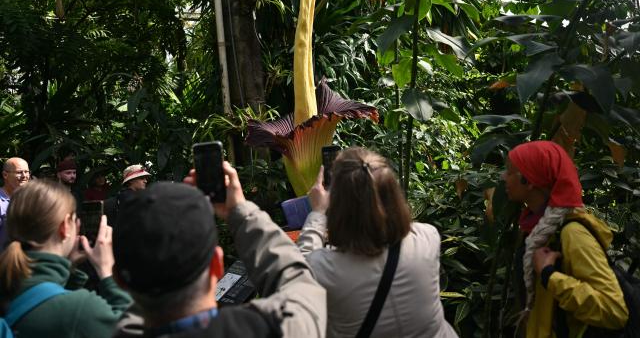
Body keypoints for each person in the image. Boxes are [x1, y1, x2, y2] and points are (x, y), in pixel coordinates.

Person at [111, 161, 326, 337]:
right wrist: (242, 214)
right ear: (217, 264)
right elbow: (304, 290)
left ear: (120, 279)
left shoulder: (118, 330)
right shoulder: (269, 329)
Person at [297, 147, 457, 338]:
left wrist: (317, 212)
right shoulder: (428, 237)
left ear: (338, 206)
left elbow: (296, 275)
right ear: (393, 194)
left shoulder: (325, 269)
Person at [502, 140, 628, 337]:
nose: (503, 178)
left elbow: (614, 310)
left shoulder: (572, 233)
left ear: (529, 180)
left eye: (509, 172)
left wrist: (550, 275)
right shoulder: (537, 230)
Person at [0, 180, 132, 337]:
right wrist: (107, 270)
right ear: (64, 227)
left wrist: (68, 269)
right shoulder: (80, 309)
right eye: (75, 220)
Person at [0, 157, 30, 249]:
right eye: (19, 172)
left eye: (27, 172)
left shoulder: (31, 199)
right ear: (5, 175)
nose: (24, 176)